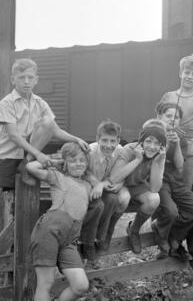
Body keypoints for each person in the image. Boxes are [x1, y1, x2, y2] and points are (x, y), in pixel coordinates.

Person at [0, 58, 89, 191]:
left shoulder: (40, 103)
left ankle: (26, 164)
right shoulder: (6, 103)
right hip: (8, 156)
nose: (26, 81)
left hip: (28, 155)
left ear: (36, 80)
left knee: (48, 121)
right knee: (6, 194)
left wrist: (76, 139)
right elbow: (14, 136)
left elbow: (54, 129)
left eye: (30, 77)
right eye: (21, 77)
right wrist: (38, 154)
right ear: (13, 80)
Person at [26, 142, 91, 301]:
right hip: (50, 230)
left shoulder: (88, 185)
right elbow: (31, 167)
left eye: (82, 160)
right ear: (65, 163)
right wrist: (56, 162)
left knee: (81, 286)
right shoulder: (58, 177)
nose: (78, 163)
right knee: (46, 283)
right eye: (73, 160)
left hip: (70, 239)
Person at [151, 102, 193, 267]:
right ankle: (162, 235)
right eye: (169, 116)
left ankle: (174, 236)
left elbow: (179, 165)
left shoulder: (180, 139)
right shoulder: (152, 134)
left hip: (175, 179)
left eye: (176, 117)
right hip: (160, 179)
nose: (173, 120)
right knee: (172, 211)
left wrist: (177, 144)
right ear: (160, 117)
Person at [109, 120, 167, 254]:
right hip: (122, 184)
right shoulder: (129, 149)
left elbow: (154, 188)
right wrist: (137, 159)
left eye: (157, 143)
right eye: (149, 141)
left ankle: (134, 230)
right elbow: (114, 178)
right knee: (124, 197)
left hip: (137, 187)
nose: (152, 147)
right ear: (142, 140)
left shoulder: (159, 155)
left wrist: (158, 162)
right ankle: (109, 230)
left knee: (154, 199)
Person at [79, 120, 131, 261]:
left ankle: (102, 236)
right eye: (105, 140)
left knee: (114, 200)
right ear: (97, 139)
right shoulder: (90, 151)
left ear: (118, 140)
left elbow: (122, 171)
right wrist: (96, 183)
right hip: (88, 185)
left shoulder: (121, 151)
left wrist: (121, 183)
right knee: (98, 205)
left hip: (106, 186)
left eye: (113, 141)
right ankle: (87, 242)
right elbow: (84, 171)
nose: (109, 145)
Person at [159, 54, 193, 190]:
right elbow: (158, 123)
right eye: (186, 72)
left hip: (191, 149)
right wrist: (172, 128)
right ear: (180, 73)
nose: (189, 76)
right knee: (166, 184)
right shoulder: (168, 96)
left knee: (185, 188)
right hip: (170, 144)